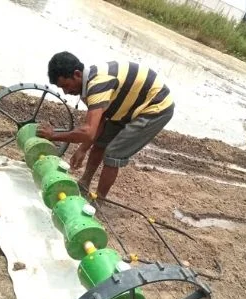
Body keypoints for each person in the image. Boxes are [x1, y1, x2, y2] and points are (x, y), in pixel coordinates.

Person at [36, 51, 174, 198]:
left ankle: (99, 198)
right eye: (61, 88)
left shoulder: (98, 85)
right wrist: (83, 149)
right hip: (127, 105)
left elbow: (88, 131)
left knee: (114, 152)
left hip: (155, 107)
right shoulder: (87, 85)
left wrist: (53, 136)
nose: (66, 92)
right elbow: (99, 121)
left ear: (77, 74)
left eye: (66, 85)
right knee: (100, 142)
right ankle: (83, 184)